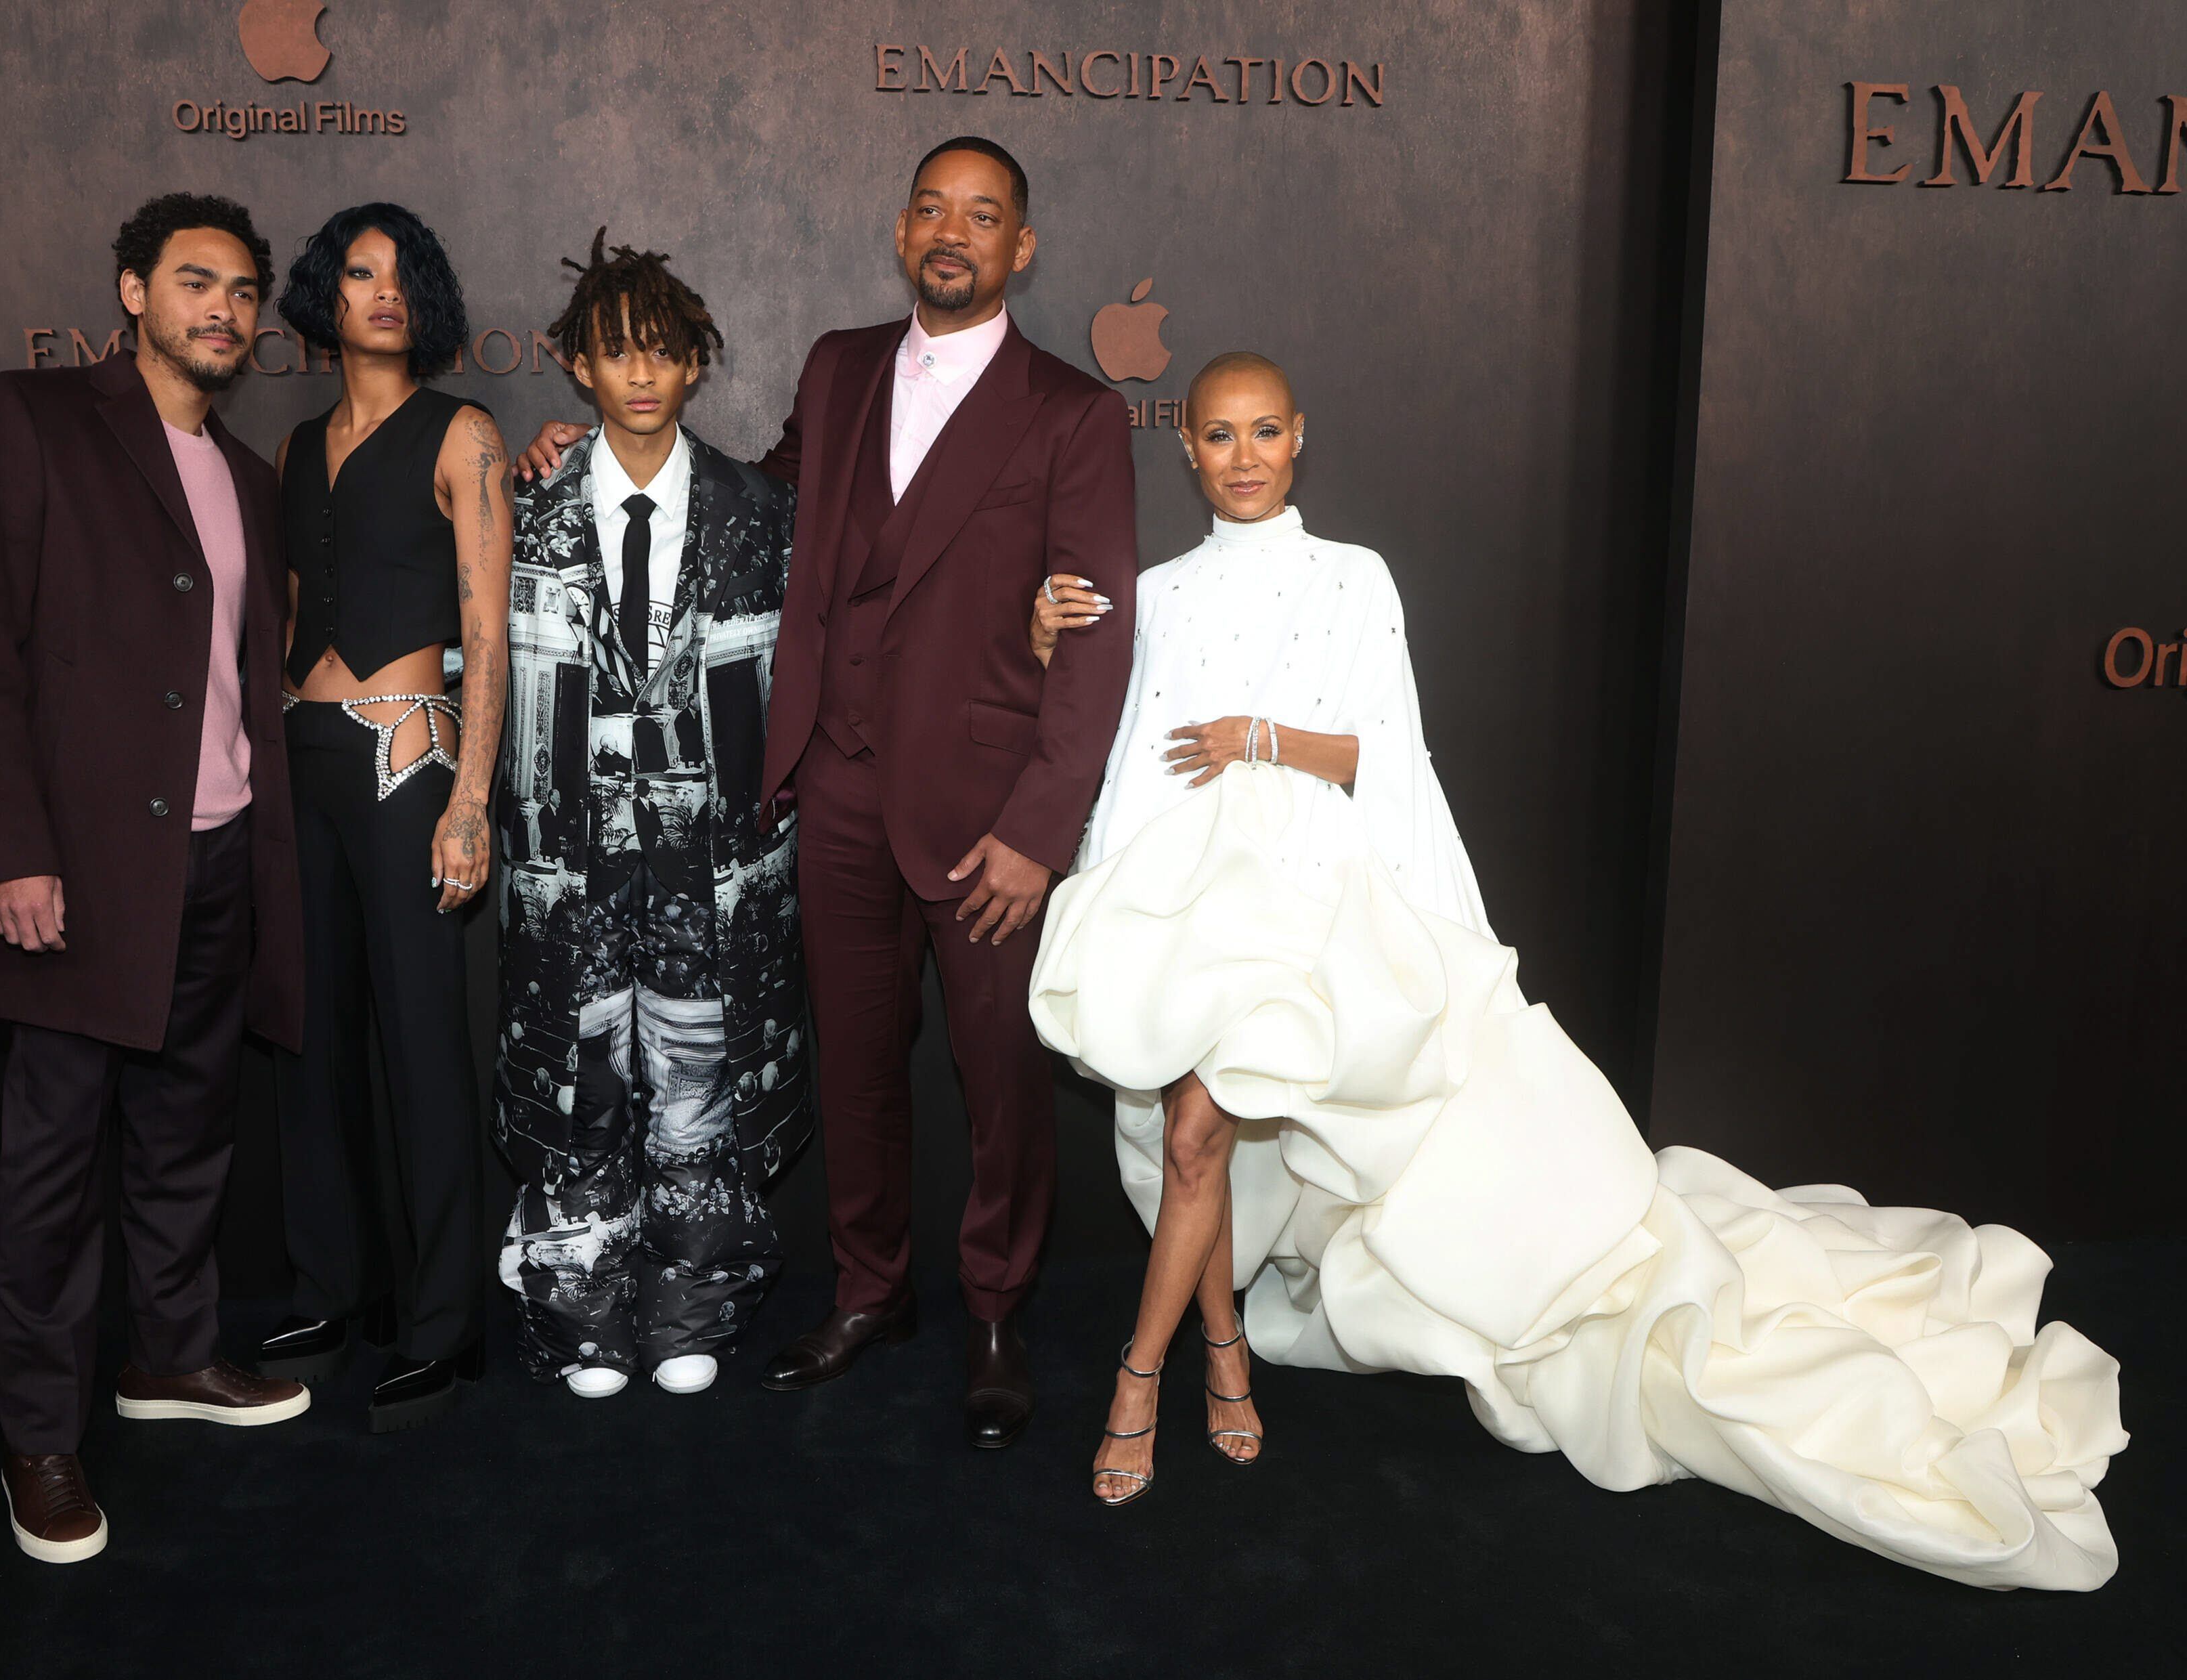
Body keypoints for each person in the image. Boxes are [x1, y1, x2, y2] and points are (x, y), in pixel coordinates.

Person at [1026, 351, 2127, 1589]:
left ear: (1300, 441)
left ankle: (1142, 1378)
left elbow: (1377, 753)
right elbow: (1109, 730)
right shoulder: (1157, 589)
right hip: (1197, 901)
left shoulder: (1355, 577)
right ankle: (1218, 1344)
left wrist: (1257, 739)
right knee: (1194, 1135)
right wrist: (1045, 636)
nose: (1240, 456)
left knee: (1195, 1134)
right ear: (1188, 451)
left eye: (1263, 431)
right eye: (1218, 436)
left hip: (1316, 900)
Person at [518, 136, 1138, 1446]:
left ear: (1022, 248)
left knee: (998, 1077)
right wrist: (597, 456)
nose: (952, 232)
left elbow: (1093, 640)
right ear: (901, 229)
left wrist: (1040, 829)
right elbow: (758, 510)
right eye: (931, 209)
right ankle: (872, 1293)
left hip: (987, 816)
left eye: (983, 215)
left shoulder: (1073, 412)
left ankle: (992, 1312)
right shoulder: (840, 366)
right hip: (835, 789)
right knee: (854, 1066)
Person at [0, 192, 311, 1565]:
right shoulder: (28, 419)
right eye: (197, 281)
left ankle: (172, 1356)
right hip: (81, 872)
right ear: (133, 291)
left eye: (245, 291)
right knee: (51, 1164)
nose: (225, 307)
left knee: (184, 1135)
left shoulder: (251, 478)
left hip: (217, 860)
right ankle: (38, 1435)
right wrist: (12, 850)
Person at [494, 231, 811, 1400]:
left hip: (711, 857)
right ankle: (578, 1308)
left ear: (695, 369)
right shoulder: (527, 508)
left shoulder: (756, 511)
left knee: (700, 1073)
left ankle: (696, 1298)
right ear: (579, 365)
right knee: (583, 1075)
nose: (640, 373)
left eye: (664, 353)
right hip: (570, 859)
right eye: (616, 351)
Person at [255, 203, 511, 1434]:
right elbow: (300, 602)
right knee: (312, 1039)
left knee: (420, 1039)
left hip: (409, 754)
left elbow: (486, 633)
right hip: (300, 752)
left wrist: (470, 796)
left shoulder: (462, 432)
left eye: (405, 275)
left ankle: (446, 1319)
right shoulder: (301, 447)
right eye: (360, 274)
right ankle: (327, 1287)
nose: (385, 293)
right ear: (325, 296)